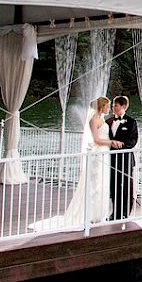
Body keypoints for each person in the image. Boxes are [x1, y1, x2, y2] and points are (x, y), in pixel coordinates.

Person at [30, 96, 116, 231]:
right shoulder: (94, 120)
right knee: (95, 183)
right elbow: (97, 140)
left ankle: (98, 214)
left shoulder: (102, 119)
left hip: (104, 153)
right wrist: (112, 142)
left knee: (102, 183)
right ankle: (89, 213)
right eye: (107, 106)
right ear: (101, 106)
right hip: (98, 153)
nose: (109, 108)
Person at [107, 95, 140, 219]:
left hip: (125, 159)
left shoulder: (131, 122)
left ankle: (125, 212)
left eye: (116, 105)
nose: (113, 108)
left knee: (126, 186)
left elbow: (133, 141)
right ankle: (115, 212)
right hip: (111, 160)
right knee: (114, 185)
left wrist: (119, 147)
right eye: (112, 105)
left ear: (124, 106)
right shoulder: (108, 122)